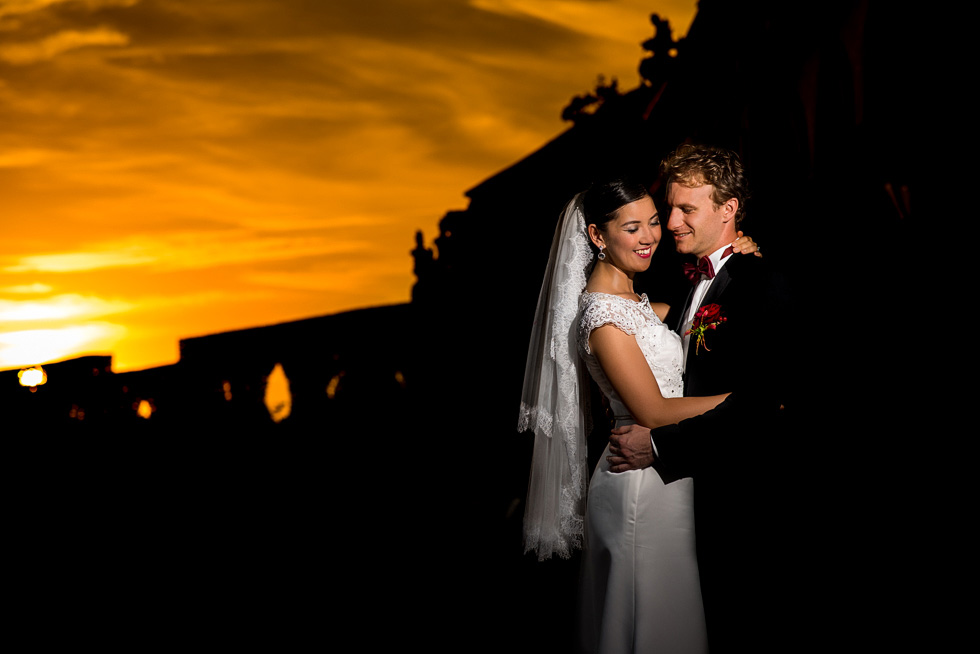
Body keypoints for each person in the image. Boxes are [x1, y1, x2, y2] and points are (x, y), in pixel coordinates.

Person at [517, 173, 760, 653]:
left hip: (664, 475)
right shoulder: (602, 316)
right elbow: (651, 408)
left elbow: (689, 316)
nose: (650, 236)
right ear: (596, 236)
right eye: (632, 228)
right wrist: (746, 403)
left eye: (653, 222)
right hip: (636, 485)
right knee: (645, 620)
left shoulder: (638, 304)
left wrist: (733, 259)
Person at [607, 143, 794, 651]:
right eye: (671, 208)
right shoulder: (693, 284)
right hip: (691, 503)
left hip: (742, 506)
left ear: (728, 209)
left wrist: (661, 446)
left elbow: (764, 405)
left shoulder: (762, 285)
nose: (671, 223)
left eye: (687, 209)